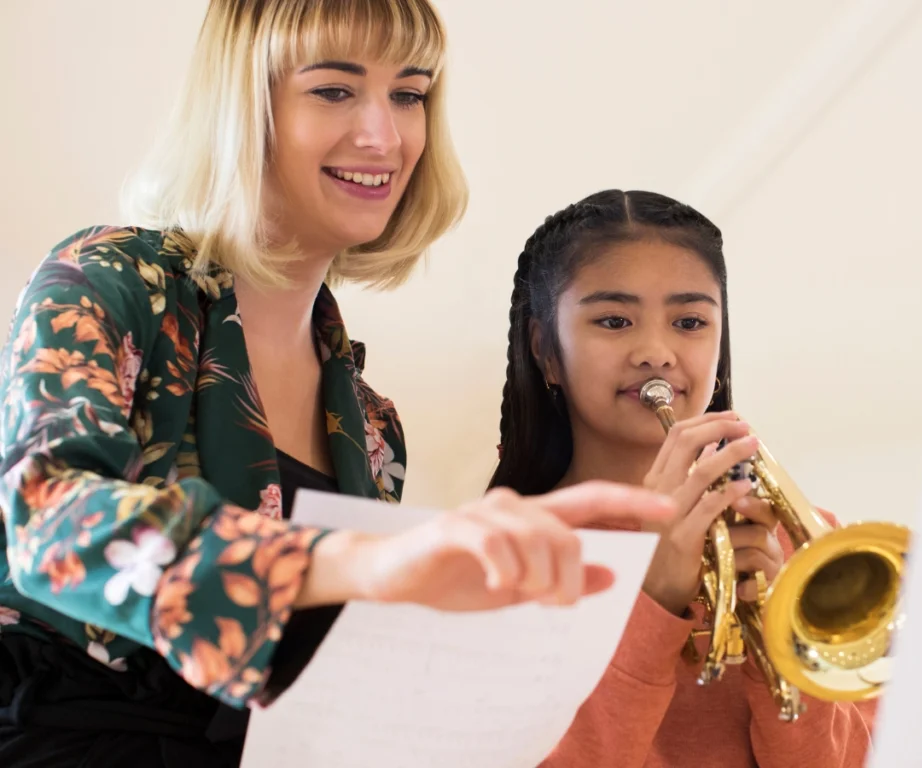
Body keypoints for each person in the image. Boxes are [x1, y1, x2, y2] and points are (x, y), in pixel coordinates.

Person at [0, 5, 679, 767]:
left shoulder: (373, 426)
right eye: (333, 91)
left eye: (409, 94)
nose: (384, 137)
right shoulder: (111, 279)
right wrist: (366, 561)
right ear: (244, 105)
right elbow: (47, 517)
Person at [489, 189, 876, 767]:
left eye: (690, 322)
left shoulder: (808, 541)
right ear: (545, 350)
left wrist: (787, 645)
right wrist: (654, 599)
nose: (656, 352)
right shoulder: (499, 559)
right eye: (614, 320)